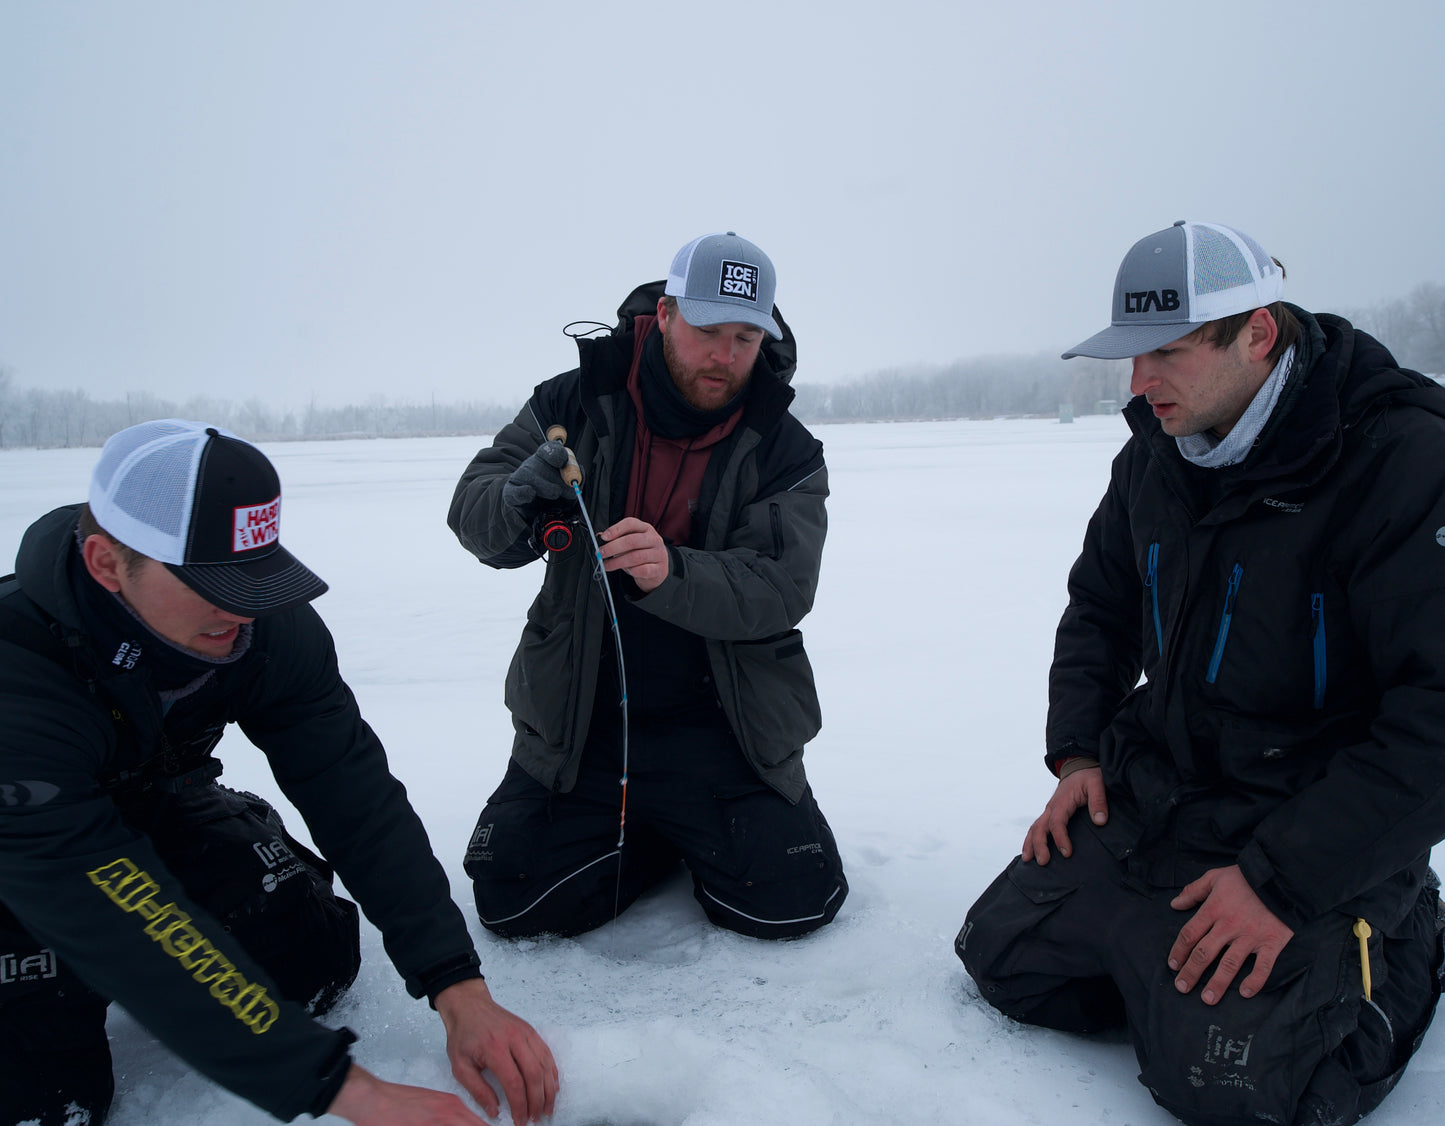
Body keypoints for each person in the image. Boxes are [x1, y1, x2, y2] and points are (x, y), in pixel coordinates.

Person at [956, 221, 1445, 1126]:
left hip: (1312, 819)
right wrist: (1078, 755)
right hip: (1167, 789)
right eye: (1128, 359)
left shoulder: (1404, 458)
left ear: (1256, 334)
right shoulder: (1156, 449)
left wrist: (1282, 884)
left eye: (1165, 355)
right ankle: (1178, 976)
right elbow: (1098, 606)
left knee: (1242, 1089)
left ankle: (1402, 930)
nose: (1137, 386)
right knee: (1003, 957)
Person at [0, 420, 558, 1126]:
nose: (242, 610)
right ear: (108, 563)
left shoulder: (259, 625)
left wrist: (458, 985)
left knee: (312, 958)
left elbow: (351, 790)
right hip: (32, 866)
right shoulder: (20, 683)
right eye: (210, 584)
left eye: (255, 577)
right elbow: (117, 914)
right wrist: (348, 1093)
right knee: (48, 1105)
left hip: (151, 806)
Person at [448, 231, 846, 941]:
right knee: (513, 903)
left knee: (790, 904)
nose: (724, 355)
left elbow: (782, 587)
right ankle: (657, 835)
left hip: (724, 726)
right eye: (706, 330)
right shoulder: (572, 401)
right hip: (583, 724)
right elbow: (472, 511)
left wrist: (676, 571)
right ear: (663, 315)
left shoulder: (784, 446)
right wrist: (514, 499)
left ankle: (675, 826)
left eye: (745, 336)